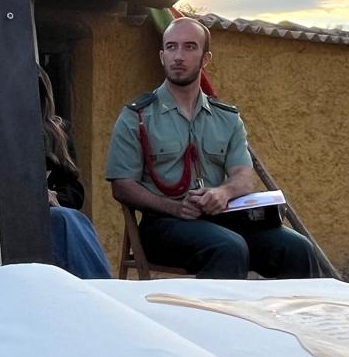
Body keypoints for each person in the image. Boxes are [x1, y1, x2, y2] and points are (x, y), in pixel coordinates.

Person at [105, 17, 327, 279]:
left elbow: (243, 176)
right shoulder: (138, 116)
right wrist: (174, 208)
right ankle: (217, 320)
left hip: (222, 218)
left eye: (189, 47)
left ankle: (290, 320)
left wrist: (223, 193)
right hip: (163, 224)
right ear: (162, 56)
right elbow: (122, 186)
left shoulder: (227, 117)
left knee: (296, 247)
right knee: (228, 247)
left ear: (205, 58)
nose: (178, 56)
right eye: (171, 47)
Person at [39, 66, 112, 279]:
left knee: (71, 219)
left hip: (49, 215)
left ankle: (99, 287)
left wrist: (52, 196)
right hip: (4, 219)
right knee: (64, 220)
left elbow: (73, 190)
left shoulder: (57, 133)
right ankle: (96, 288)